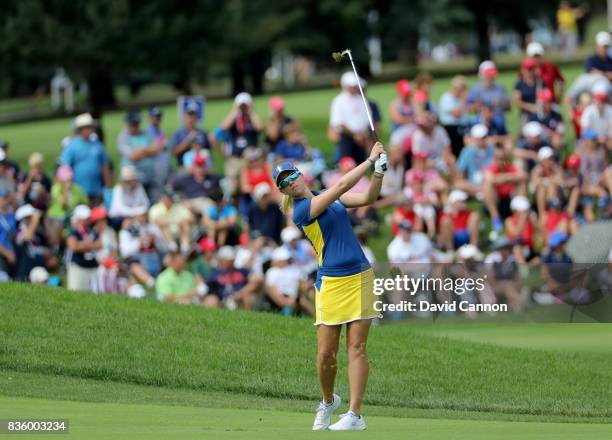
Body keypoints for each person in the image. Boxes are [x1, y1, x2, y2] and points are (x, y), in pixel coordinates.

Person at [274, 141, 388, 431]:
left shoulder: (329, 197)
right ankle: (327, 401)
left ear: (301, 175)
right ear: (285, 192)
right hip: (332, 284)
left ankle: (355, 414)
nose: (289, 182)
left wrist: (379, 173)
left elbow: (367, 199)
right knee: (326, 354)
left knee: (357, 347)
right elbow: (339, 188)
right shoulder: (301, 211)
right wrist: (369, 161)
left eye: (291, 175)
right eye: (283, 182)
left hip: (360, 276)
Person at [59, 113, 112, 202]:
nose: (89, 130)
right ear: (80, 129)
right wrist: (65, 191)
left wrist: (108, 188)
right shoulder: (72, 146)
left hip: (96, 189)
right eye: (86, 127)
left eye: (90, 127)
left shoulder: (97, 145)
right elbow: (64, 169)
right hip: (78, 191)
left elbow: (105, 166)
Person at [117, 110, 165, 202]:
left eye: (137, 123)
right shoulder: (123, 137)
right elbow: (133, 156)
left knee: (153, 201)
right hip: (132, 180)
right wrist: (148, 150)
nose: (135, 126)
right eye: (133, 123)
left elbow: (158, 148)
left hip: (149, 176)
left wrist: (141, 151)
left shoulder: (146, 133)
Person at [328, 72, 372, 163]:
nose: (354, 88)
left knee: (361, 163)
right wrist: (354, 135)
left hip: (362, 137)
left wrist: (363, 135)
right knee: (347, 163)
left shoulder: (361, 99)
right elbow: (339, 122)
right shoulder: (339, 100)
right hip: (346, 138)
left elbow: (367, 119)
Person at [221, 92, 262, 186]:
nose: (243, 108)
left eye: (245, 106)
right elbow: (224, 127)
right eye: (241, 106)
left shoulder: (252, 119)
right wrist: (235, 111)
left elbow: (259, 127)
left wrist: (251, 111)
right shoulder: (234, 120)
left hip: (251, 160)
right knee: (233, 186)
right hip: (235, 159)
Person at [483, 146, 527, 231]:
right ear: (494, 159)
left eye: (503, 158)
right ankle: (495, 218)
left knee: (521, 183)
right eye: (498, 158)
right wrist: (510, 177)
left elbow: (523, 175)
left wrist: (501, 178)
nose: (501, 160)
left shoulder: (510, 167)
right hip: (497, 201)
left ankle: (521, 213)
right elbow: (491, 179)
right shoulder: (490, 168)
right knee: (487, 186)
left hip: (510, 198)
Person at [205, 245, 260, 310]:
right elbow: (204, 289)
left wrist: (240, 294)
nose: (232, 261)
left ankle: (247, 317)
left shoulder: (242, 271)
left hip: (239, 298)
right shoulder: (214, 273)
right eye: (230, 260)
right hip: (221, 300)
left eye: (233, 259)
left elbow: (258, 281)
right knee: (211, 300)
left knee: (246, 296)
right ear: (222, 260)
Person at [264, 246, 312, 316]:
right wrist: (286, 301)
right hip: (282, 298)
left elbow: (302, 284)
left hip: (296, 296)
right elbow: (273, 291)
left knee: (307, 297)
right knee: (301, 302)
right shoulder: (272, 272)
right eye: (285, 259)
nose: (287, 261)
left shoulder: (294, 269)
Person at [66, 205, 101, 291]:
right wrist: (91, 245)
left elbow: (100, 244)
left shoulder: (93, 230)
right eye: (86, 218)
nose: (88, 220)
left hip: (93, 266)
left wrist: (82, 245)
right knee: (75, 292)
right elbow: (74, 246)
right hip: (78, 266)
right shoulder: (73, 231)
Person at [454, 124, 495, 196]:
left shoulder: (492, 149)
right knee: (459, 184)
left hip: (488, 181)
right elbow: (460, 172)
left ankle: (482, 193)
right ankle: (481, 192)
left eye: (483, 137)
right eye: (478, 138)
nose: (481, 140)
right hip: (472, 183)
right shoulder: (467, 151)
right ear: (473, 138)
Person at [467, 60, 510, 127]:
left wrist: (501, 103)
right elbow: (469, 108)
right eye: (488, 75)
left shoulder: (501, 89)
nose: (491, 77)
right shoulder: (475, 90)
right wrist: (478, 106)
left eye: (492, 75)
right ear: (482, 75)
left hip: (498, 122)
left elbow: (508, 108)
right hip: (481, 123)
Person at [171, 100, 211, 167]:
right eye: (189, 117)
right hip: (184, 166)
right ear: (184, 118)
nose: (191, 119)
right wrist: (188, 140)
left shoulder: (203, 133)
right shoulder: (178, 133)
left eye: (193, 117)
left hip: (201, 167)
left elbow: (208, 150)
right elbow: (175, 152)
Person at [439, 75, 469, 157]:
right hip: (450, 128)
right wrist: (463, 101)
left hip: (462, 126)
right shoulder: (446, 98)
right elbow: (456, 114)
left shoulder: (459, 99)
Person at [146, 106, 171, 185]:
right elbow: (153, 149)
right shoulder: (147, 132)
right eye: (155, 116)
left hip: (165, 164)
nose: (157, 119)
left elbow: (166, 147)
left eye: (159, 116)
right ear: (150, 117)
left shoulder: (161, 131)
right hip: (155, 166)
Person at [513, 57, 542, 124]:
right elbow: (517, 101)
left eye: (532, 69)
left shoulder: (540, 82)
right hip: (525, 114)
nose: (530, 71)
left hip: (540, 111)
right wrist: (531, 107)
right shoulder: (519, 84)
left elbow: (545, 97)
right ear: (523, 70)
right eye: (528, 69)